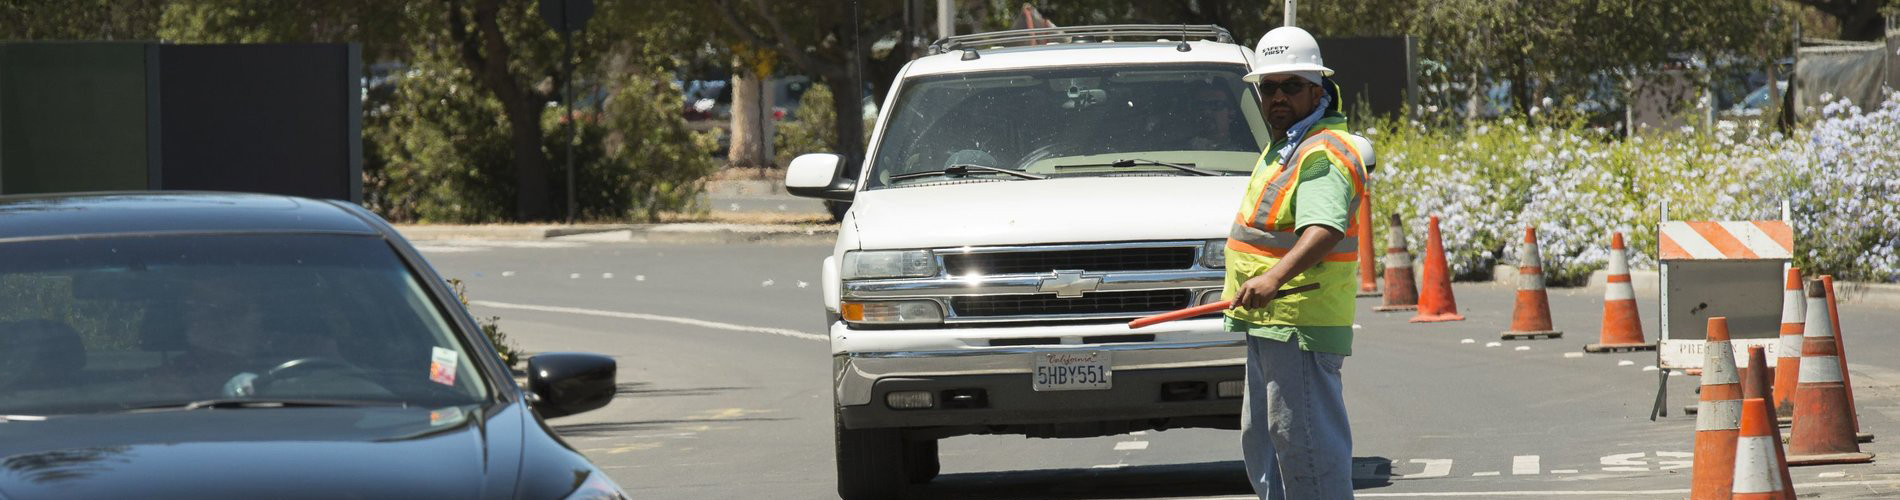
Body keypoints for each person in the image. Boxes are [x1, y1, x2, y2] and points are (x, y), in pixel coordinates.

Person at [1223, 25, 1371, 500]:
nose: (1278, 98)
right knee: (1268, 446)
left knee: (1305, 453)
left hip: (1298, 323)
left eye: (1291, 87)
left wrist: (1273, 276)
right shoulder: (1287, 144)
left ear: (1318, 90)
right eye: (1268, 88)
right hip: (1270, 322)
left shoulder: (1321, 152)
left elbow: (1324, 228)